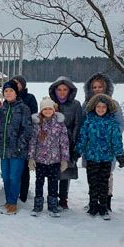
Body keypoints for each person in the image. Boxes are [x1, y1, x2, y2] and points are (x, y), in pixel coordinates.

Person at [76, 94, 124, 220]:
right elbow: (83, 138)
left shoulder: (112, 123)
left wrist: (119, 155)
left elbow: (116, 140)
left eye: (103, 107)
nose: (101, 109)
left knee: (104, 184)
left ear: (108, 108)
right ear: (94, 107)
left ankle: (103, 207)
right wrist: (77, 151)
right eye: (98, 106)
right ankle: (93, 205)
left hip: (106, 158)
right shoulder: (89, 121)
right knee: (93, 183)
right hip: (92, 158)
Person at [83, 72, 124, 212]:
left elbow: (120, 125)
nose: (97, 89)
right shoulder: (86, 105)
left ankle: (106, 203)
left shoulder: (113, 105)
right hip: (91, 149)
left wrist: (106, 137)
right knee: (92, 177)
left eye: (100, 86)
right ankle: (93, 203)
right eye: (94, 87)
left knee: (106, 176)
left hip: (107, 149)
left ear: (106, 87)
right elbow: (83, 127)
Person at [29, 97, 70, 217]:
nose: (47, 111)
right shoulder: (37, 124)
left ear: (53, 110)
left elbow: (64, 142)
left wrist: (64, 160)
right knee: (39, 182)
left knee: (53, 183)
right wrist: (31, 158)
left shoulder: (59, 124)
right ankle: (38, 206)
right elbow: (32, 142)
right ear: (41, 111)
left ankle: (53, 206)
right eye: (44, 109)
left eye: (49, 109)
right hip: (40, 159)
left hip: (54, 160)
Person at [0, 81, 32, 215]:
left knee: (14, 177)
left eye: (11, 91)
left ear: (16, 93)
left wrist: (20, 146)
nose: (8, 93)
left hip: (17, 151)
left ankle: (13, 202)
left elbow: (27, 130)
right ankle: (8, 200)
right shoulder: (2, 109)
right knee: (5, 176)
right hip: (4, 150)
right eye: (6, 91)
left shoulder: (23, 108)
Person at [48, 77, 85, 210]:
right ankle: (52, 197)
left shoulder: (75, 105)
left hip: (68, 142)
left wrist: (74, 143)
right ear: (55, 91)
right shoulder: (50, 103)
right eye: (59, 90)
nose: (62, 92)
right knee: (52, 171)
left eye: (65, 89)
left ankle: (63, 199)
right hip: (51, 143)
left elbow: (78, 124)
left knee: (65, 171)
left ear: (70, 91)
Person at [10, 75, 38, 204]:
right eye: (13, 83)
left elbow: (33, 117)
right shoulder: (10, 97)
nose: (16, 85)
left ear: (23, 85)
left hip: (25, 137)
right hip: (12, 137)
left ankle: (24, 194)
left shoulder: (30, 98)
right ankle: (12, 191)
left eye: (18, 83)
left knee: (24, 168)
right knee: (13, 167)